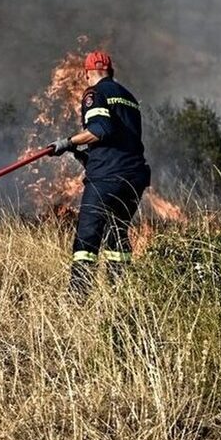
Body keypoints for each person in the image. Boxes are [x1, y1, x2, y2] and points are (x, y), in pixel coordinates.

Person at [48, 50, 151, 299]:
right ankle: (120, 294)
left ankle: (78, 297)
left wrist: (67, 142)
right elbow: (119, 141)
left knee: (87, 238)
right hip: (133, 178)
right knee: (117, 234)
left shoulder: (95, 93)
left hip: (106, 178)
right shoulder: (129, 97)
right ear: (111, 71)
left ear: (88, 73)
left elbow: (100, 130)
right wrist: (83, 155)